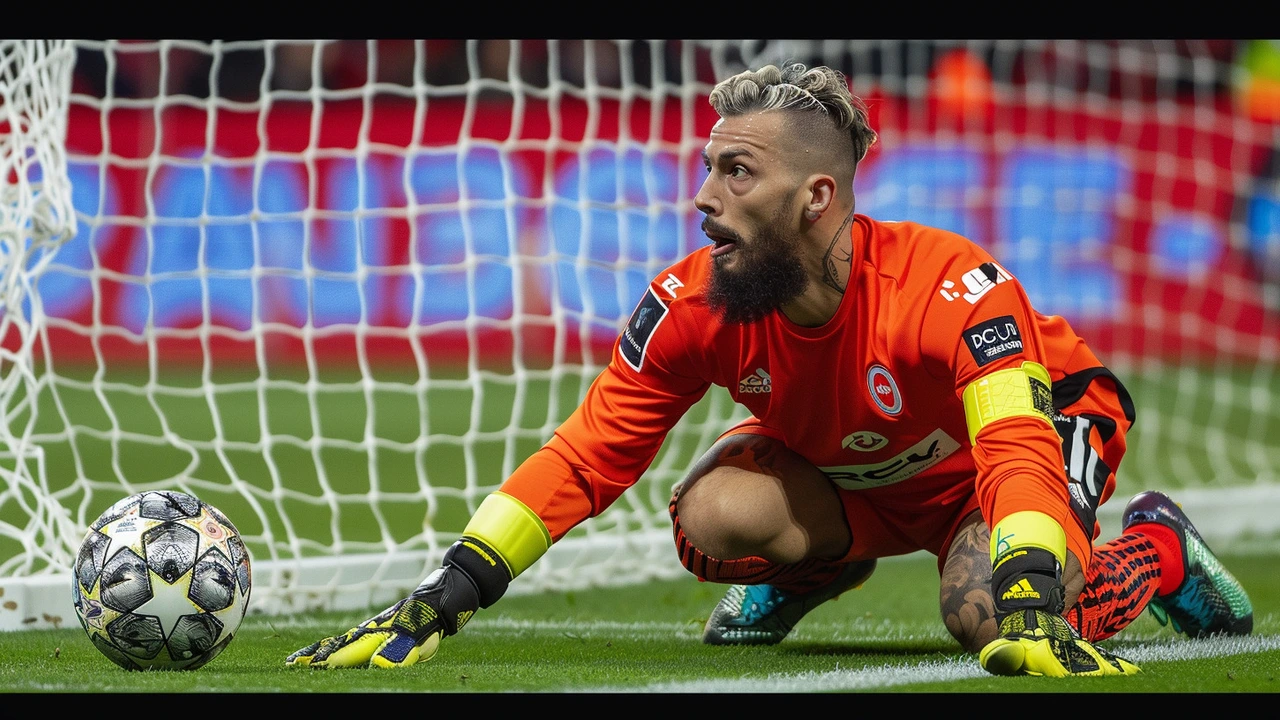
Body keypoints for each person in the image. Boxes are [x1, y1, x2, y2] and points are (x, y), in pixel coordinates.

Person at [285, 62, 1254, 677]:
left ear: (816, 196)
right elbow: (586, 455)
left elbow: (1010, 447)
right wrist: (445, 592)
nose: (703, 198)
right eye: (708, 169)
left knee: (988, 615)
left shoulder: (949, 285)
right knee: (713, 522)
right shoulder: (692, 302)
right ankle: (815, 567)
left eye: (735, 173)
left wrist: (1031, 584)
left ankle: (1152, 549)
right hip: (863, 468)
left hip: (1039, 436)